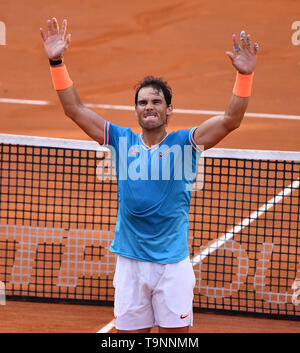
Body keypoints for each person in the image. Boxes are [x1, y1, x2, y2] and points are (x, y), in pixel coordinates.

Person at [40, 18, 258, 333]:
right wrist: (56, 62)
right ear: (136, 110)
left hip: (172, 265)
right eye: (143, 102)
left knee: (175, 339)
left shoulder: (186, 143)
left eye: (156, 102)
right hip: (129, 263)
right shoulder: (120, 139)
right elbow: (74, 109)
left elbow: (231, 120)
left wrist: (244, 75)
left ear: (169, 110)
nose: (149, 107)